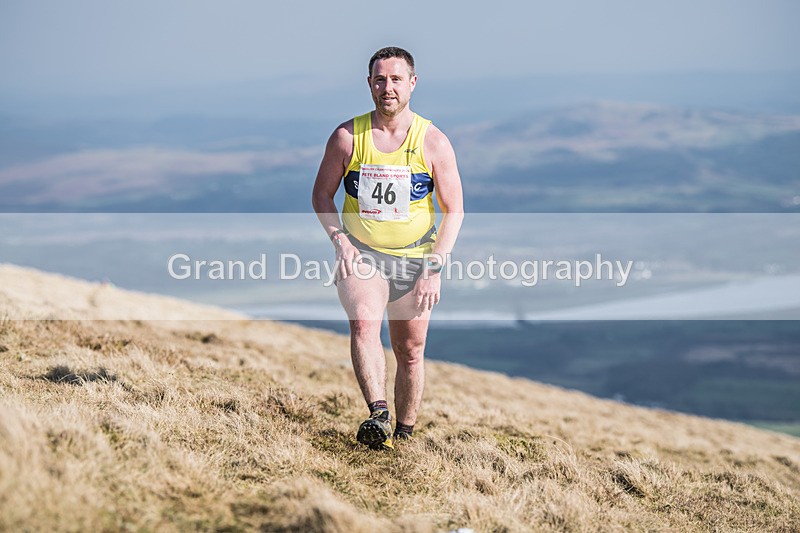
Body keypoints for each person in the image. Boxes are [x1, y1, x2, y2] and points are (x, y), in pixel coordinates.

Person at [312, 46, 463, 449]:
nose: (387, 88)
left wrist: (435, 267)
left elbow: (455, 210)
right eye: (380, 79)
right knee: (364, 323)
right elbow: (322, 197)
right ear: (369, 84)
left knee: (410, 351)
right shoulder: (347, 137)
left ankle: (405, 433)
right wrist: (340, 241)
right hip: (363, 254)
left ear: (412, 83)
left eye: (396, 79)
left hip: (417, 259)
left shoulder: (433, 141)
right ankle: (378, 413)